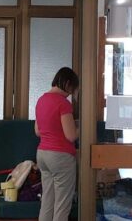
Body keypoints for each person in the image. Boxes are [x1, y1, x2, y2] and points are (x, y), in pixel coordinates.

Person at [34, 67, 79, 221]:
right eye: (72, 89)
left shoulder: (41, 100)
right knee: (62, 205)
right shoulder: (63, 103)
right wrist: (82, 128)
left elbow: (38, 131)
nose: (70, 93)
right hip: (61, 157)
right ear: (67, 83)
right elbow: (71, 136)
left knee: (47, 201)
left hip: (42, 155)